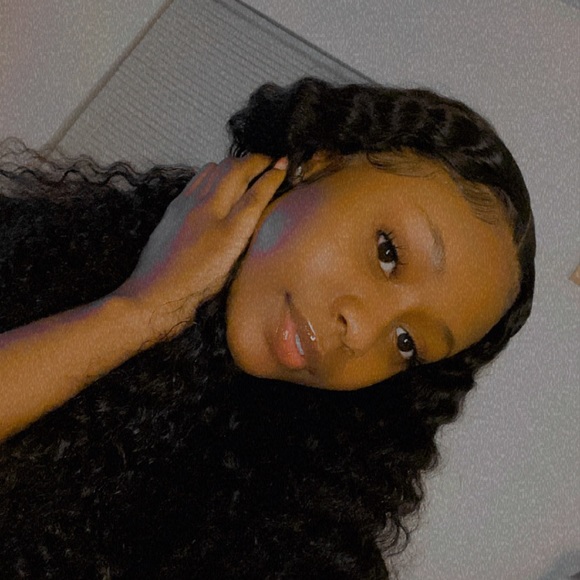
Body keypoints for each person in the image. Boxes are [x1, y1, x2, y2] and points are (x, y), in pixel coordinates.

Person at [0, 78, 535, 578]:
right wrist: (141, 309)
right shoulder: (34, 258)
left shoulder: (286, 533)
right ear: (319, 160)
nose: (361, 332)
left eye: (406, 343)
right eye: (388, 253)